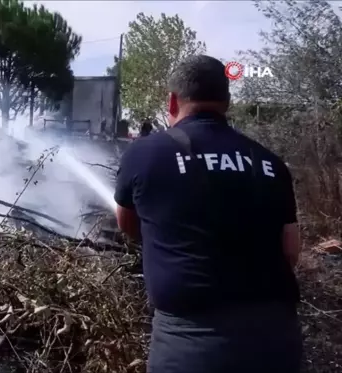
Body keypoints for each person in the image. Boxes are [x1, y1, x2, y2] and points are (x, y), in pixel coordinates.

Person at [113, 55, 302, 373]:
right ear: (226, 102)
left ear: (173, 101)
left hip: (190, 344)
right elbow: (290, 250)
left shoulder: (144, 153)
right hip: (277, 341)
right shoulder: (270, 161)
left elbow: (127, 223)